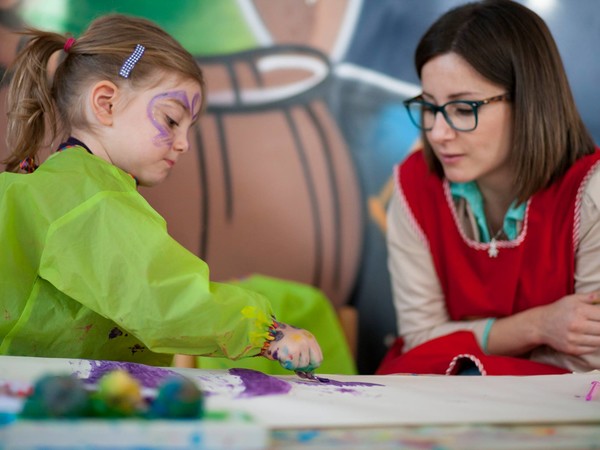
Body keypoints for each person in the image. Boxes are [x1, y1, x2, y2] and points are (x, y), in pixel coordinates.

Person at [0, 14, 322, 373]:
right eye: (171, 120)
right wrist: (268, 333)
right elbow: (158, 297)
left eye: (188, 128)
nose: (183, 144)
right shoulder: (89, 197)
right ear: (106, 103)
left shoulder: (68, 185)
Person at [377, 0, 600, 376]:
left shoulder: (590, 192)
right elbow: (420, 338)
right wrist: (538, 326)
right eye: (429, 107)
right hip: (441, 395)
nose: (437, 133)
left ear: (529, 102)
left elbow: (587, 364)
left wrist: (467, 347)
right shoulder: (414, 184)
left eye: (463, 109)